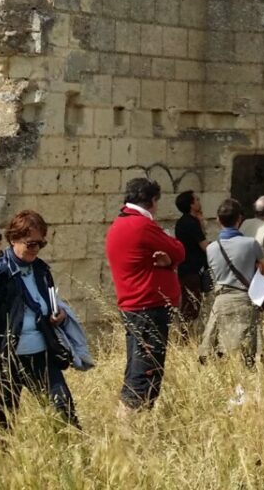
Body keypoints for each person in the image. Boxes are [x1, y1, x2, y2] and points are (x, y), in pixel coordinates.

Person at [0, 210, 78, 442]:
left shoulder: (41, 270)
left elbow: (47, 305)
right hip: (8, 359)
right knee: (2, 424)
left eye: (41, 244)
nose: (36, 249)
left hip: (41, 355)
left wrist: (56, 315)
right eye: (30, 243)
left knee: (64, 412)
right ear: (13, 239)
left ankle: (71, 463)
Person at [105, 177, 185, 413]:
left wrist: (165, 263)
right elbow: (178, 250)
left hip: (137, 308)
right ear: (152, 201)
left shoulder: (121, 222)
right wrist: (170, 259)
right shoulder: (142, 225)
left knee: (138, 369)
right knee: (145, 372)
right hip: (147, 308)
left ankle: (133, 429)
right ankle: (128, 434)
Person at [200, 198, 264, 370]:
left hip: (221, 301)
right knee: (248, 354)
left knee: (218, 354)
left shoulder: (211, 248)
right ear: (240, 219)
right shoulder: (252, 244)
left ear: (218, 219)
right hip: (245, 300)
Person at [174, 190, 208, 327]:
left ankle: (185, 337)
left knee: (190, 304)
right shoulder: (191, 223)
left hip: (186, 269)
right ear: (191, 204)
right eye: (197, 200)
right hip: (192, 270)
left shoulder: (183, 222)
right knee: (191, 306)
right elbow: (204, 246)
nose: (199, 202)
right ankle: (184, 339)